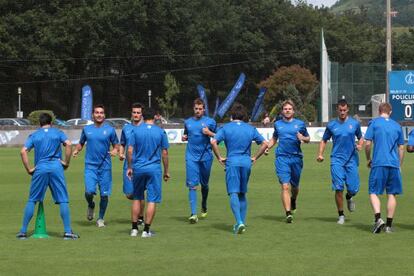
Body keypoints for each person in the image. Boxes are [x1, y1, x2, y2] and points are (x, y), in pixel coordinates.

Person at [16, 113, 79, 240]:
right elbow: (69, 144)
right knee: (63, 199)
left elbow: (23, 151)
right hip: (56, 167)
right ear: (51, 123)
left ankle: (23, 232)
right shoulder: (58, 132)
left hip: (40, 168)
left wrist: (29, 169)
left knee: (32, 199)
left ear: (40, 123)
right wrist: (66, 162)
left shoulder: (34, 135)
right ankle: (67, 232)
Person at [211, 103, 268, 234]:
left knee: (233, 192)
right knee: (242, 193)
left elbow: (213, 142)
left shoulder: (226, 128)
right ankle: (241, 222)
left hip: (233, 162)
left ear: (231, 115)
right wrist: (255, 157)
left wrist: (219, 157)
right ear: (244, 116)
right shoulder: (250, 129)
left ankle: (239, 221)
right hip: (246, 162)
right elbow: (265, 143)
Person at [317, 99, 364, 224]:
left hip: (352, 160)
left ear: (347, 110)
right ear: (337, 110)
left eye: (344, 110)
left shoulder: (354, 124)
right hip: (336, 160)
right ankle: (341, 215)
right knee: (338, 188)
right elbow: (324, 140)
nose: (342, 112)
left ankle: (349, 196)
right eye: (340, 110)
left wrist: (360, 145)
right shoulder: (331, 125)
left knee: (353, 189)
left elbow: (361, 138)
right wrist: (320, 154)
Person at [73, 104, 119, 228]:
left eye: (101, 113)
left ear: (104, 115)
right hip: (90, 166)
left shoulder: (110, 129)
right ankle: (91, 204)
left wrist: (115, 151)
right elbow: (81, 143)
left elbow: (116, 145)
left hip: (105, 167)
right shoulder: (87, 129)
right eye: (97, 112)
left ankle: (100, 218)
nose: (99, 115)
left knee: (104, 194)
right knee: (89, 192)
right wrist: (77, 150)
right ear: (93, 115)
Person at [127, 107, 170, 238]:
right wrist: (166, 171)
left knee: (137, 197)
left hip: (139, 168)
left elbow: (129, 151)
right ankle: (146, 230)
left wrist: (130, 167)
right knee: (152, 200)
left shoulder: (136, 130)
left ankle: (134, 229)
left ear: (143, 116)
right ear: (156, 116)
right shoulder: (161, 132)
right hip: (154, 169)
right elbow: (164, 153)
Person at [267, 100, 310, 223]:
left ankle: (294, 200)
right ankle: (288, 213)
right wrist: (267, 147)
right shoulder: (277, 124)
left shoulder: (300, 124)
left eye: (289, 109)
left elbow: (308, 138)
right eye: (285, 109)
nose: (287, 110)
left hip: (296, 158)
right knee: (285, 186)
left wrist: (302, 138)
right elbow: (274, 138)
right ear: (282, 111)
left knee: (295, 187)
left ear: (293, 111)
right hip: (282, 158)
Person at [365, 102, 404, 234]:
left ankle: (378, 218)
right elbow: (401, 147)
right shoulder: (397, 126)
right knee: (392, 194)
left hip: (379, 163)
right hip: (393, 164)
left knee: (373, 192)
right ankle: (388, 226)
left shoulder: (374, 123)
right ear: (390, 112)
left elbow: (368, 143)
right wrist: (400, 165)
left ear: (379, 111)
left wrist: (368, 158)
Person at [182, 98, 216, 223]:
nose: (198, 111)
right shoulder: (188, 122)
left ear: (204, 109)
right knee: (192, 185)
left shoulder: (210, 122)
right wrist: (184, 137)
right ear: (193, 109)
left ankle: (204, 204)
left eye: (200, 109)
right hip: (191, 157)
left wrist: (209, 132)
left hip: (206, 157)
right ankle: (193, 214)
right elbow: (186, 135)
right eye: (196, 109)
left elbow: (219, 137)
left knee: (205, 184)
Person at [119, 102, 145, 228]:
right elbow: (122, 143)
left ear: (142, 114)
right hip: (128, 164)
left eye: (138, 112)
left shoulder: (145, 128)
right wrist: (120, 153)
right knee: (130, 193)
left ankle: (140, 217)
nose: (136, 114)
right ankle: (139, 211)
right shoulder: (126, 128)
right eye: (134, 112)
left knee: (139, 192)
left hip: (141, 164)